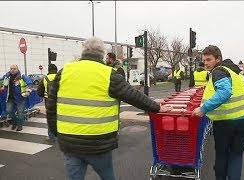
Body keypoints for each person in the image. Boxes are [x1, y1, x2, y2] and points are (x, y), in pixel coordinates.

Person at [46, 37, 172, 180]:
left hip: (69, 141)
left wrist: (56, 133)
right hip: (98, 143)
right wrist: (157, 108)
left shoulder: (64, 72)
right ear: (102, 54)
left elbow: (51, 106)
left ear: (83, 51)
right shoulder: (108, 74)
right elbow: (133, 96)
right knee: (107, 176)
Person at [191, 45, 244, 180]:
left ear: (218, 59)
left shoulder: (218, 71)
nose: (206, 63)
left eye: (209, 60)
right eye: (204, 60)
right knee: (236, 156)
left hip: (226, 122)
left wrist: (203, 109)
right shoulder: (236, 73)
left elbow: (225, 92)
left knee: (222, 156)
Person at [1, 65, 33, 131]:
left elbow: (30, 83)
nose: (12, 70)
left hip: (20, 98)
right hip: (9, 98)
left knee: (20, 112)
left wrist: (28, 91)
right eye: (11, 69)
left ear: (17, 69)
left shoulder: (22, 76)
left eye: (14, 69)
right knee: (9, 110)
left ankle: (20, 125)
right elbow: (1, 81)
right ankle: (15, 122)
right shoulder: (6, 76)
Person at [37, 64, 58, 144]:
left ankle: (51, 137)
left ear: (48, 70)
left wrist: (45, 96)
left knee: (51, 118)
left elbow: (39, 91)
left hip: (48, 101)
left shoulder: (45, 78)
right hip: (59, 101)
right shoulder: (61, 77)